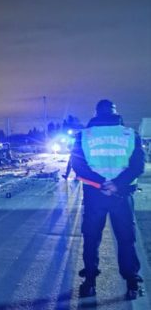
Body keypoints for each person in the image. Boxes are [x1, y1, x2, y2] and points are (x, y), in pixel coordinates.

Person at [71, 99, 145, 299]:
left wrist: (101, 183)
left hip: (95, 195)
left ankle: (90, 283)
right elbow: (138, 165)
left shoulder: (83, 136)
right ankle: (132, 284)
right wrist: (117, 184)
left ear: (95, 113)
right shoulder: (130, 134)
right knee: (126, 239)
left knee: (91, 238)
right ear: (115, 112)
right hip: (122, 195)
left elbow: (78, 166)